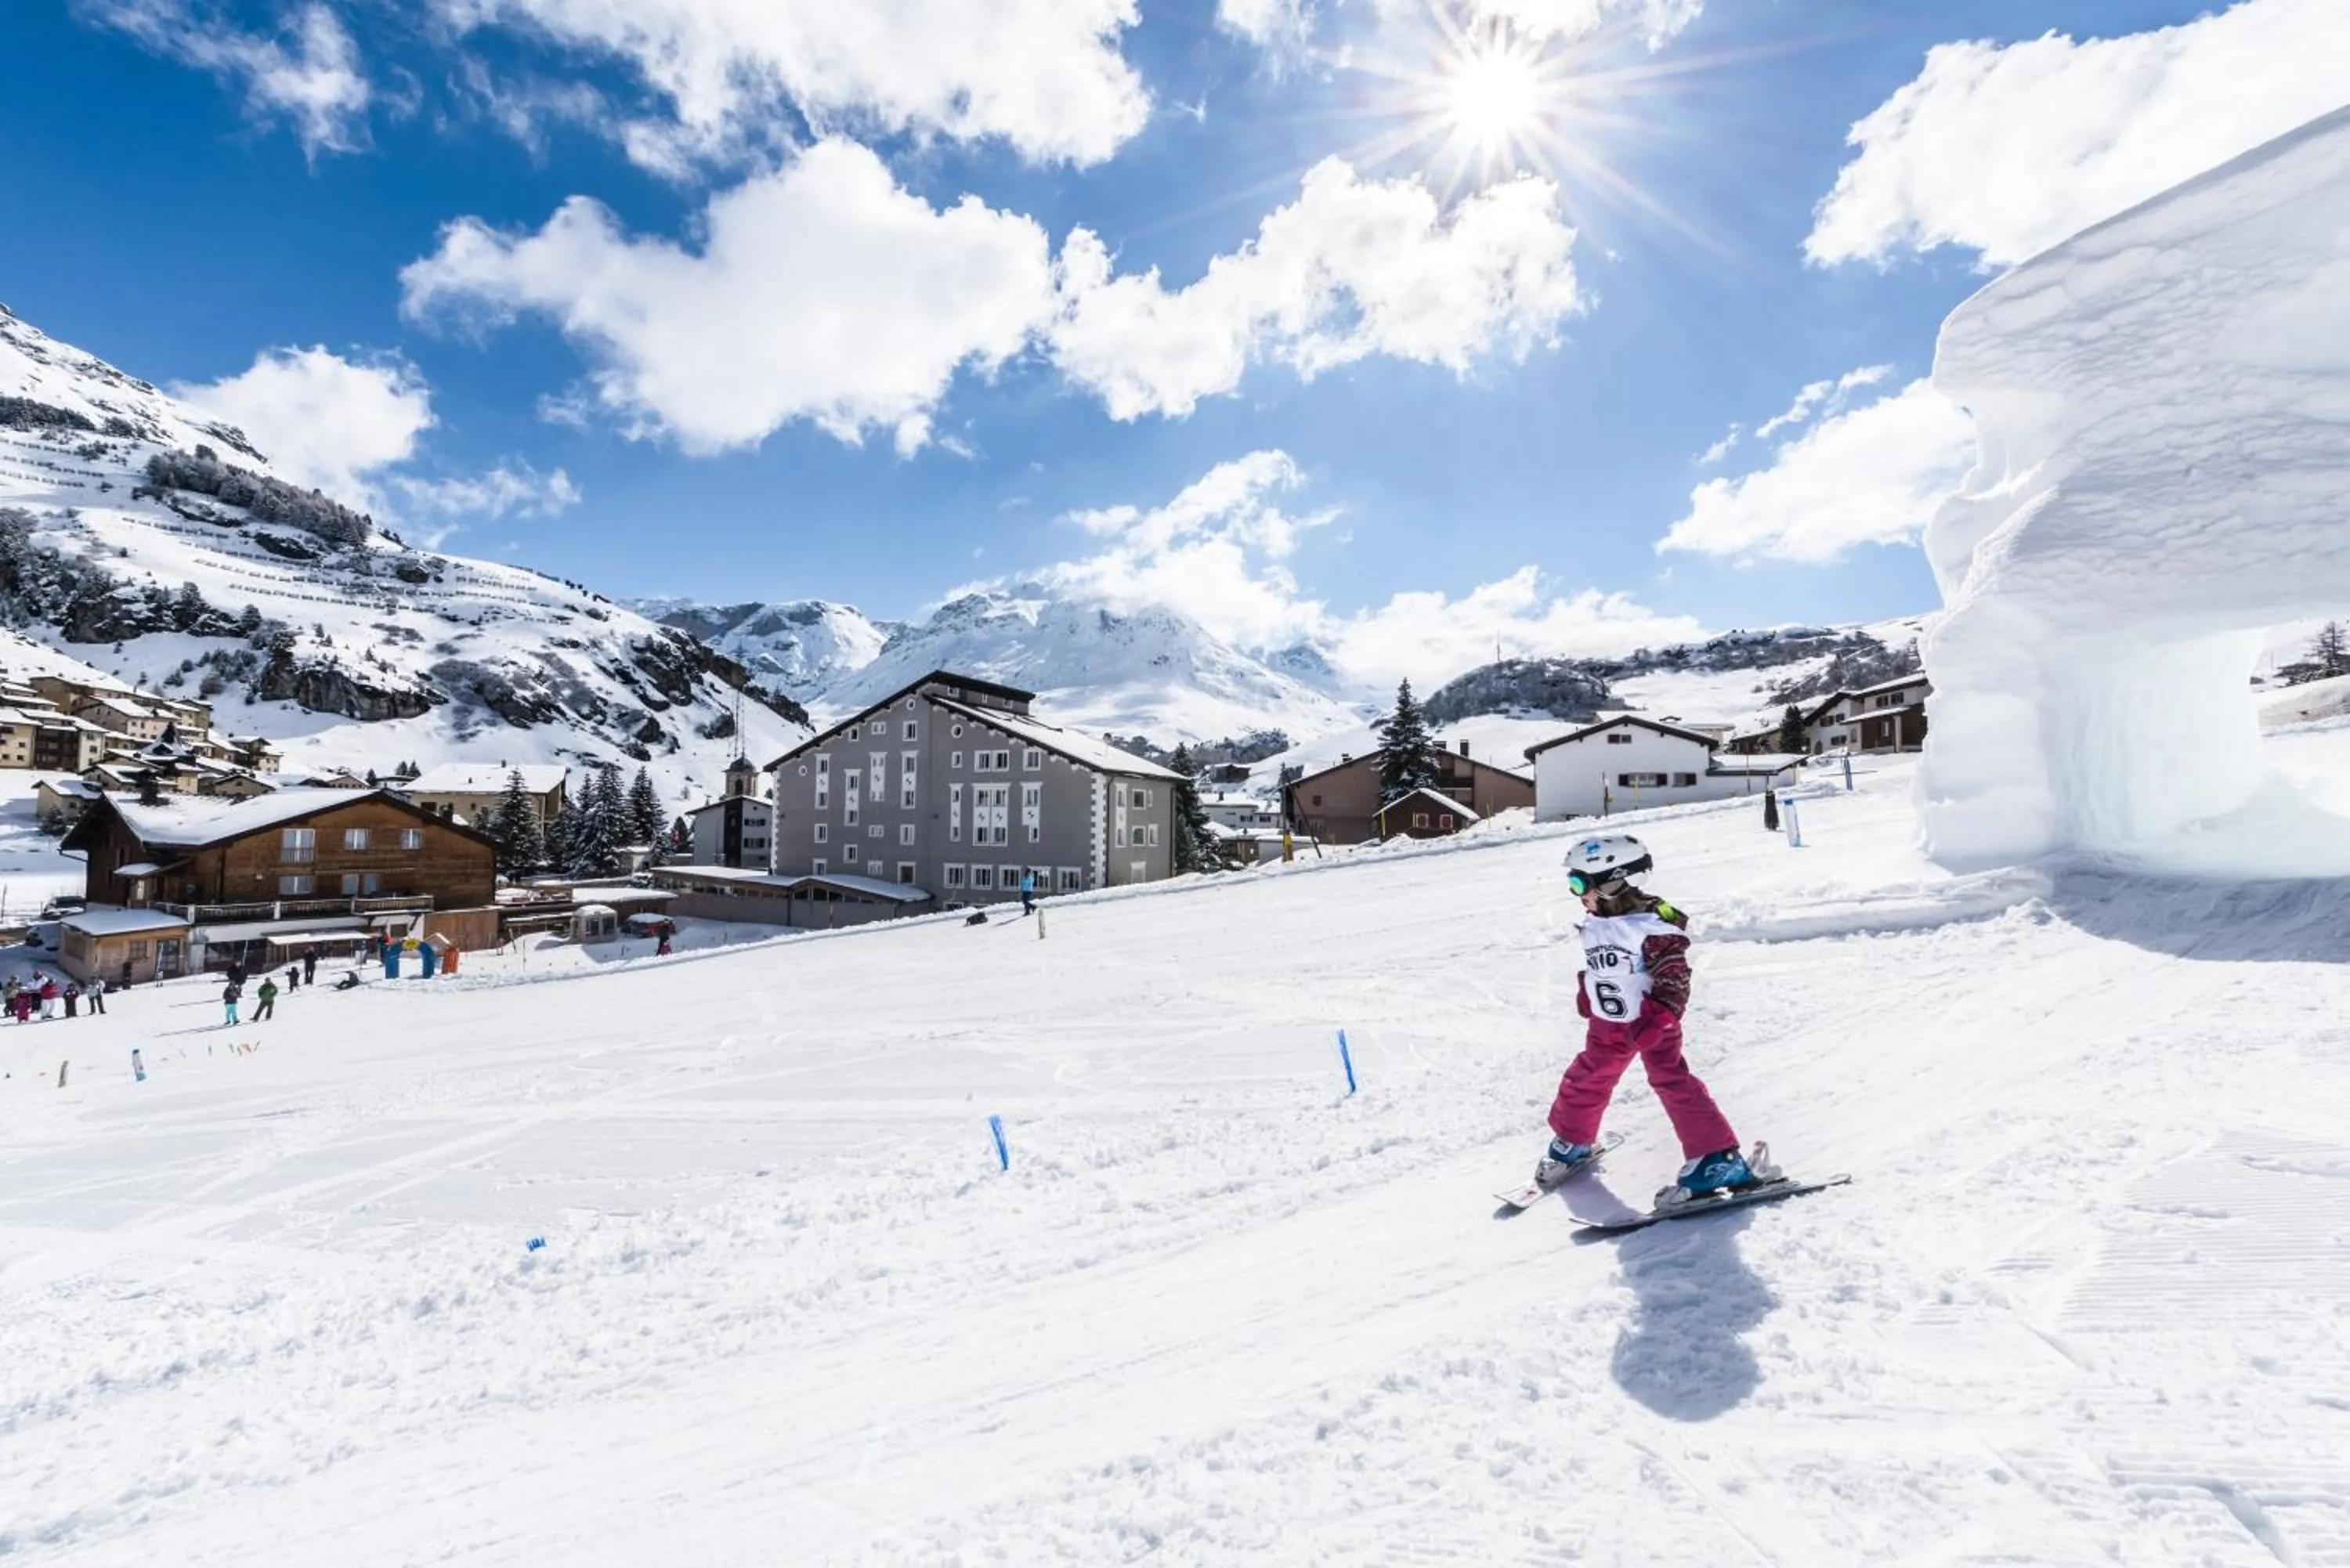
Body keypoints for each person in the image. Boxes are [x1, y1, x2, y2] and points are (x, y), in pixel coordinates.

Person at [1535, 835, 1776, 1208]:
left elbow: (1674, 976)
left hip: (1650, 1022)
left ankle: (1717, 1161)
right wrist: (1588, 988)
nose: (1574, 892)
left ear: (1611, 880)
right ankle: (1574, 1139)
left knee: (1671, 1081)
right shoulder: (1598, 919)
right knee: (1587, 1075)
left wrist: (1663, 1016)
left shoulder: (1652, 926)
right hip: (1608, 1022)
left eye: (1579, 883)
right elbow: (1605, 961)